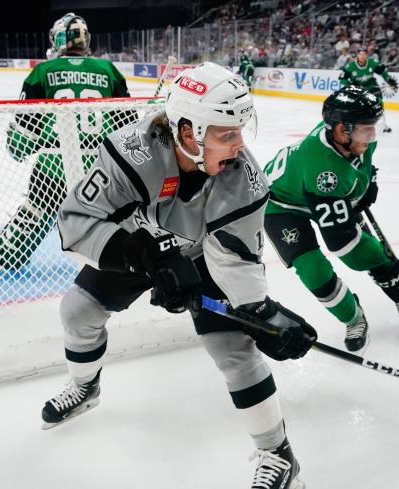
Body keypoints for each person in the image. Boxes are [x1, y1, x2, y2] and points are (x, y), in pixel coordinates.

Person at [42, 62, 316, 489]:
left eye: (241, 131)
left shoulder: (243, 180)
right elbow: (77, 219)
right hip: (139, 244)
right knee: (77, 311)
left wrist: (260, 314)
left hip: (203, 254)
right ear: (189, 132)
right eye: (227, 133)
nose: (239, 145)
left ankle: (279, 455)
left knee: (233, 348)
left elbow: (236, 257)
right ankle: (85, 386)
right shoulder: (131, 154)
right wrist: (138, 256)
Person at [262, 86, 399, 352]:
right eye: (365, 129)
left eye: (374, 127)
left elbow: (360, 164)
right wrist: (395, 273)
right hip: (281, 207)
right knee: (315, 269)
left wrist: (366, 182)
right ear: (340, 131)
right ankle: (353, 316)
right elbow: (343, 245)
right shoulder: (323, 170)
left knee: (366, 244)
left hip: (317, 192)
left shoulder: (354, 133)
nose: (372, 136)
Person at [0, 12, 131, 272]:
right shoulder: (108, 70)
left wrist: (20, 147)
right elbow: (127, 127)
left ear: (59, 39)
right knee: (112, 218)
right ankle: (118, 261)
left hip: (52, 166)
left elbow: (23, 137)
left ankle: (9, 256)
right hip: (99, 168)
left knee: (34, 213)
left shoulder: (43, 72)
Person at [340, 47, 398, 133]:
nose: (362, 56)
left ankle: (382, 125)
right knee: (354, 106)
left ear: (367, 55)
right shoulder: (350, 66)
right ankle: (353, 124)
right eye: (360, 54)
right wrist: (349, 86)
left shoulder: (372, 63)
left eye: (364, 54)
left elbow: (383, 72)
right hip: (357, 89)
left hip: (372, 87)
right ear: (357, 56)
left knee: (378, 103)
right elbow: (342, 79)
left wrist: (389, 81)